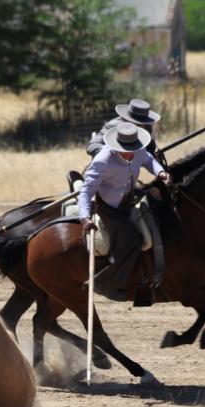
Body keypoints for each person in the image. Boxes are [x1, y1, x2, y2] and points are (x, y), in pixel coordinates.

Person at [78, 122, 171, 292]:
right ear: (116, 146)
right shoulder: (102, 161)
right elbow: (85, 192)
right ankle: (105, 280)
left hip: (130, 199)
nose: (132, 153)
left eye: (134, 148)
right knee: (132, 239)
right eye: (127, 149)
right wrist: (84, 218)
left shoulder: (139, 150)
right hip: (109, 208)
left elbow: (149, 161)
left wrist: (160, 172)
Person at [86, 98, 161, 158]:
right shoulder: (112, 126)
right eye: (136, 123)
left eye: (141, 124)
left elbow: (147, 148)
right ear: (127, 119)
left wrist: (154, 150)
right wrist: (117, 155)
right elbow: (92, 146)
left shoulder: (146, 128)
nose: (140, 127)